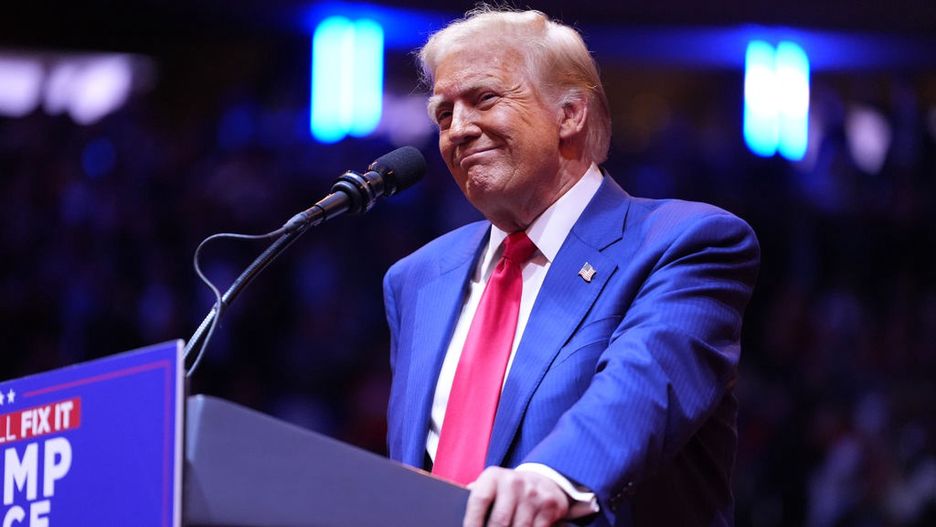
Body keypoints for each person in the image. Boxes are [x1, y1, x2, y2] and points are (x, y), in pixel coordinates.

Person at [383, 7, 760, 526]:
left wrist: (551, 479)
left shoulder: (685, 244)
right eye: (444, 114)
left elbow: (641, 389)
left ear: (570, 114)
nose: (458, 130)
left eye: (484, 98)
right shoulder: (417, 278)